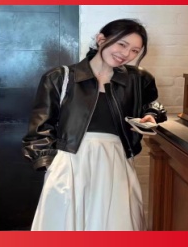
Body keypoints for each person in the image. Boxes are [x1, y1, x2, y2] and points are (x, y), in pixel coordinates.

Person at [22, 19, 167, 231]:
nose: (126, 54)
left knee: (116, 225)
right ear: (101, 39)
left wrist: (151, 115)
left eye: (135, 50)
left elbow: (153, 104)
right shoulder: (59, 77)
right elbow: (39, 129)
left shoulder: (138, 79)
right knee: (65, 225)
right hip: (69, 162)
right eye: (122, 44)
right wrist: (50, 166)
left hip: (116, 162)